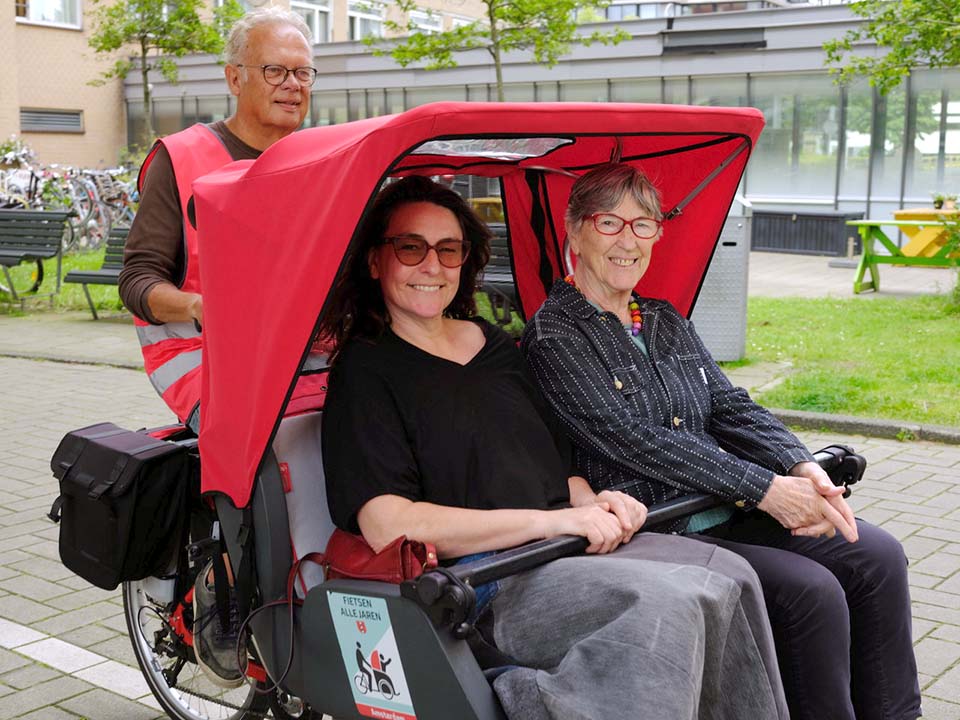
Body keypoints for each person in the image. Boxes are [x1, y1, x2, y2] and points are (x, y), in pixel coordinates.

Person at [320, 176, 790, 720]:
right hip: (484, 580)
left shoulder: (492, 345)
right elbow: (388, 523)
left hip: (563, 546)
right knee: (669, 605)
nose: (432, 266)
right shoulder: (364, 371)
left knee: (733, 577)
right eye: (410, 247)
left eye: (449, 249)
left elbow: (557, 458)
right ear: (376, 262)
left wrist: (589, 501)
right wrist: (552, 524)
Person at [521, 162, 921, 720]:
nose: (627, 240)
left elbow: (728, 405)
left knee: (877, 555)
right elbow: (631, 439)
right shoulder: (554, 333)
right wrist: (764, 488)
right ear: (574, 229)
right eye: (609, 222)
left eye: (644, 225)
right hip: (659, 525)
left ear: (659, 234)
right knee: (812, 592)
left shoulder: (662, 318)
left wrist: (800, 465)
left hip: (727, 505)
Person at [118, 7, 315, 689]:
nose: (292, 84)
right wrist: (204, 307)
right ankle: (227, 602)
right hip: (202, 356)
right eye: (275, 70)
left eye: (303, 73)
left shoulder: (319, 158)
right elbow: (138, 279)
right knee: (273, 451)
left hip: (300, 355)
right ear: (234, 77)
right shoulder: (183, 157)